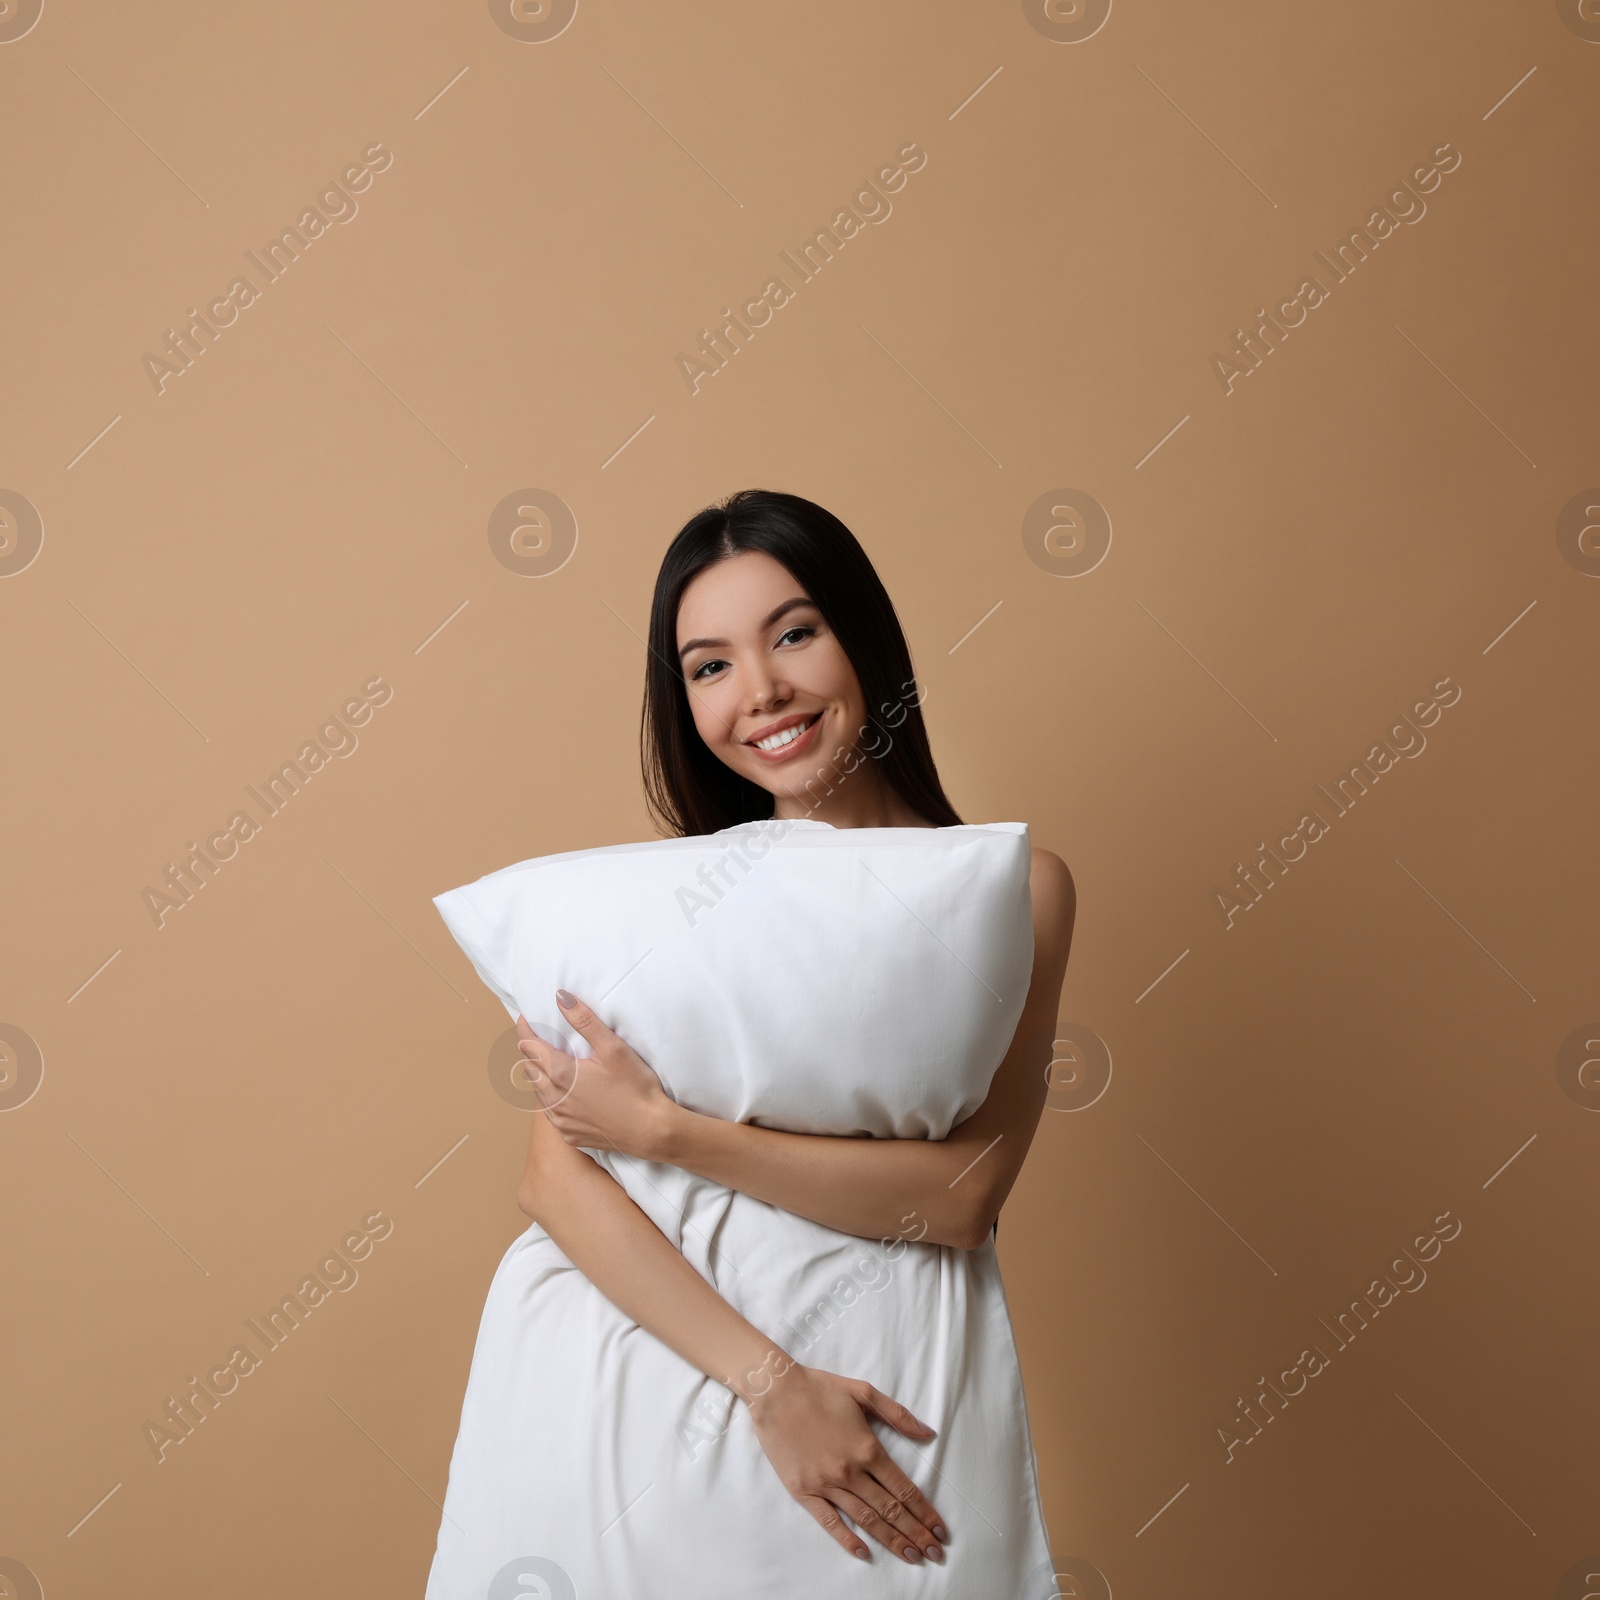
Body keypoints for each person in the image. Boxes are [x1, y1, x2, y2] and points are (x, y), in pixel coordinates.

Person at [425, 489, 1076, 1597]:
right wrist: (773, 1386)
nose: (761, 691)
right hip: (647, 1405)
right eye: (708, 665)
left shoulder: (1013, 889)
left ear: (860, 637)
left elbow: (962, 1197)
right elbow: (556, 1183)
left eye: (793, 633)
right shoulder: (656, 915)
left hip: (894, 1391)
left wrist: (667, 1131)